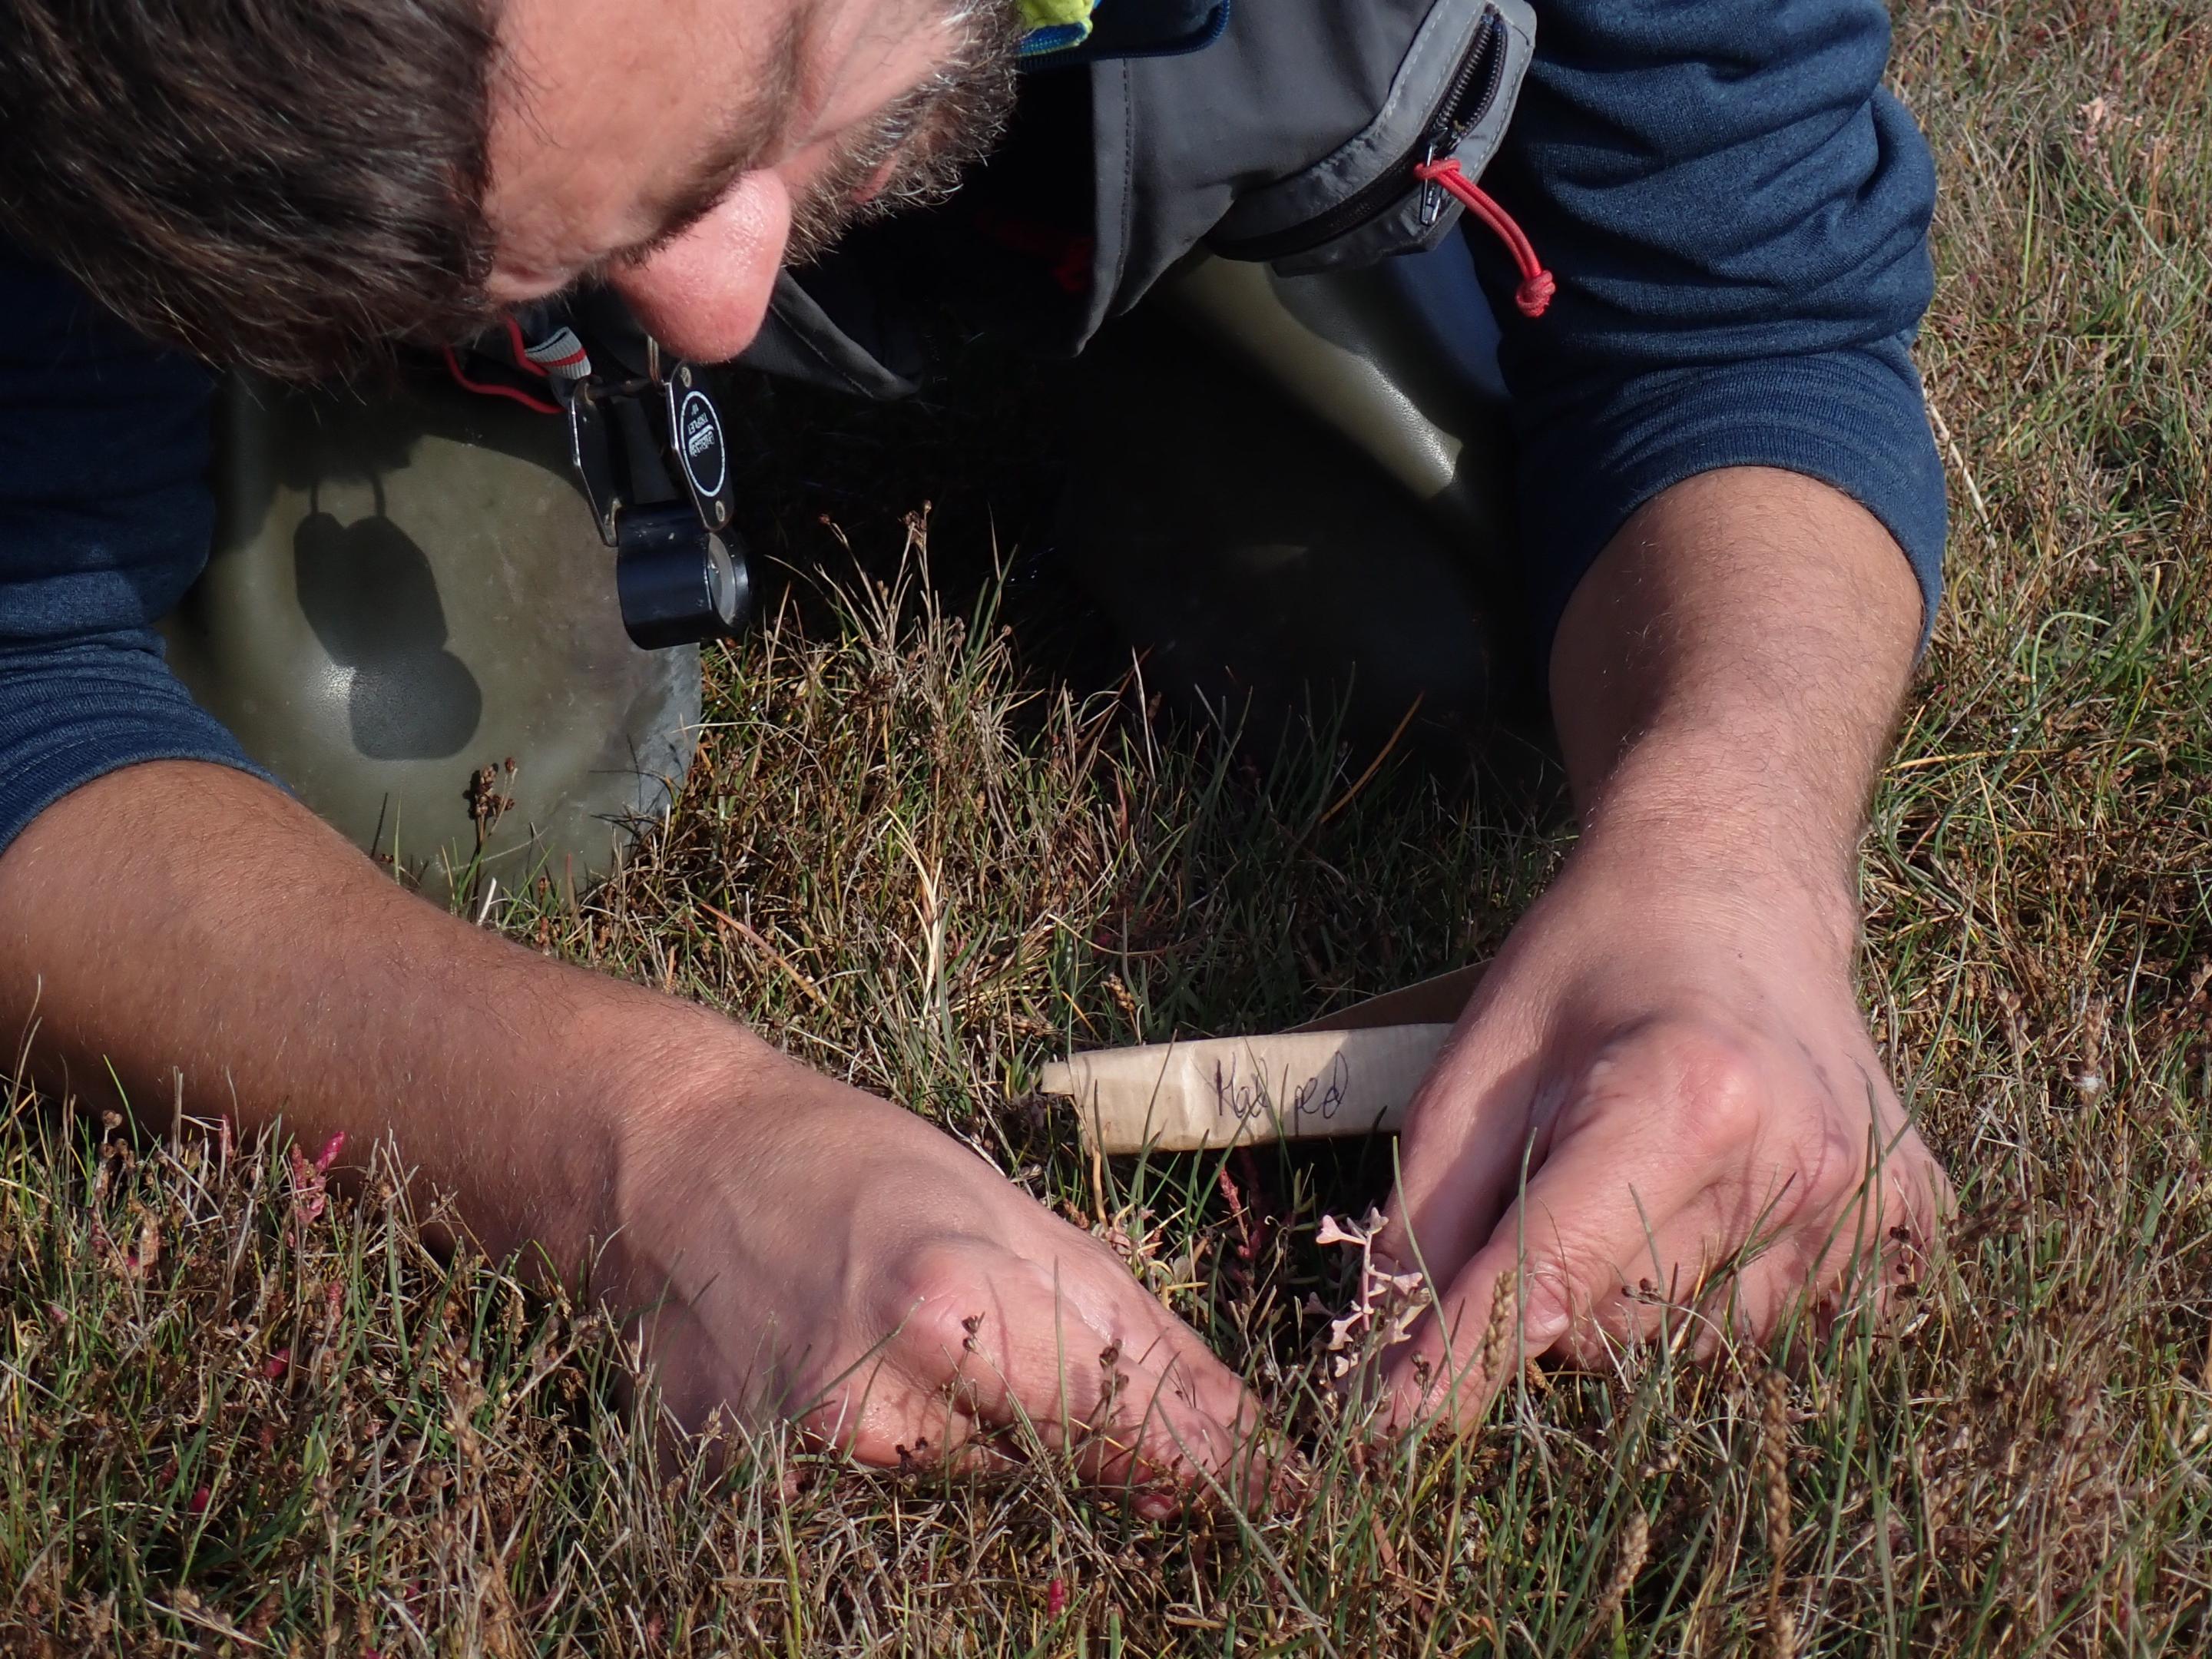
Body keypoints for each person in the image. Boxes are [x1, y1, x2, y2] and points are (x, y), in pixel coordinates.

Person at [0, 0, 1952, 1498]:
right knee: (372, 749)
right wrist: (644, 1146)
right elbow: (28, 666)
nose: (725, 295)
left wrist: (1730, 851)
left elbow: (1742, 309)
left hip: (1238, 138)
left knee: (1445, 630)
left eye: (767, 101)